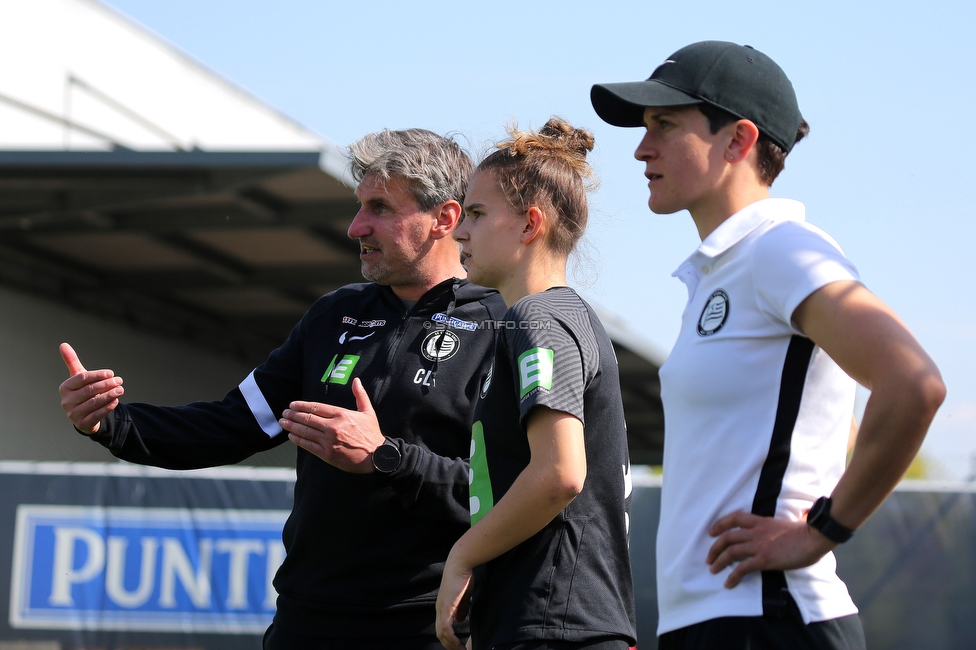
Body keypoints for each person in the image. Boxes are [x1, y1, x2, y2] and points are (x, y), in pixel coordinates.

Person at [59, 128, 508, 650]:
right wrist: (108, 423)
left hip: (430, 626)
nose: (355, 226)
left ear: (445, 219)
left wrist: (385, 457)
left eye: (380, 207)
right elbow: (230, 425)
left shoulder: (501, 326)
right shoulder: (333, 314)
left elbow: (502, 490)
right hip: (306, 620)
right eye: (359, 206)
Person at [590, 40, 946, 649]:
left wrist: (820, 532)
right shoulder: (720, 269)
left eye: (665, 125)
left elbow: (914, 384)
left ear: (739, 141)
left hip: (771, 619)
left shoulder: (780, 249)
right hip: (713, 623)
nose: (641, 148)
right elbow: (838, 427)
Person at [434, 118, 637, 650]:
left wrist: (464, 555)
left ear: (530, 225)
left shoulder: (539, 319)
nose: (460, 232)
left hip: (554, 628)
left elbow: (560, 473)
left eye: (476, 214)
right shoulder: (560, 318)